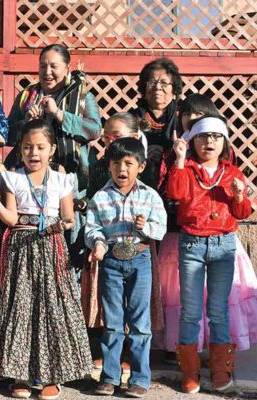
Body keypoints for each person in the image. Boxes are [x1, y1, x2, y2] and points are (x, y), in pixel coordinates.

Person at [0, 120, 92, 400]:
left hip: (51, 246)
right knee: (20, 306)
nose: (34, 152)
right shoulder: (12, 178)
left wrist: (65, 224)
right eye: (27, 147)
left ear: (52, 149)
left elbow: (68, 216)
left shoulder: (62, 180)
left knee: (52, 309)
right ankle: (20, 374)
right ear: (19, 150)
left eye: (41, 147)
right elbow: (11, 218)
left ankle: (51, 375)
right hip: (21, 246)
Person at [167, 117, 252, 394]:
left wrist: (239, 196)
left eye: (216, 137)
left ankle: (219, 370)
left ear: (224, 142)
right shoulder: (188, 169)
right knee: (190, 311)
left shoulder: (232, 173)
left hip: (223, 244)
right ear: (193, 142)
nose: (209, 142)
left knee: (218, 310)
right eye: (203, 137)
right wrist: (179, 160)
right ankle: (190, 372)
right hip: (192, 243)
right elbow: (175, 193)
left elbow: (243, 213)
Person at [4, 44, 101, 270]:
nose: (47, 72)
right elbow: (8, 135)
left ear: (67, 68)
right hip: (31, 176)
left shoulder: (84, 95)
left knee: (69, 235)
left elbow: (94, 129)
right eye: (43, 66)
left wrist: (59, 114)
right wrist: (26, 122)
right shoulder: (27, 96)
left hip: (70, 175)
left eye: (54, 66)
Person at [85, 137, 167, 398]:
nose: (122, 169)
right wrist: (97, 242)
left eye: (129, 163)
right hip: (110, 261)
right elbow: (92, 227)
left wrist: (146, 228)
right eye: (117, 163)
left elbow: (161, 229)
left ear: (140, 167)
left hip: (140, 259)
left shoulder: (150, 196)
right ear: (109, 166)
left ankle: (140, 379)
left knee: (140, 323)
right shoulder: (100, 197)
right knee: (112, 322)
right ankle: (110, 377)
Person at [129, 57, 183, 190]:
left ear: (173, 89)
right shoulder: (132, 117)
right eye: (152, 82)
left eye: (164, 83)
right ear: (144, 87)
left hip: (175, 179)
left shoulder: (182, 117)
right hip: (138, 181)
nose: (158, 87)